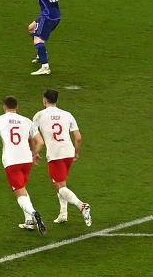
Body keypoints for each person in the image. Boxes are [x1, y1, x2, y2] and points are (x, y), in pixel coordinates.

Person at [0, 0, 73, 75]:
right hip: (55, 14)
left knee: (38, 39)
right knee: (31, 28)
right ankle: (41, 54)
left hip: (48, 16)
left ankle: (45, 67)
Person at [32, 89, 92, 226]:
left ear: (44, 100)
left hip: (55, 154)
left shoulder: (39, 116)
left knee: (59, 186)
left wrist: (35, 153)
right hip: (69, 152)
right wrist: (76, 153)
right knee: (62, 183)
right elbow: (78, 137)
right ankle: (63, 214)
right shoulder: (67, 115)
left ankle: (82, 205)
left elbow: (37, 139)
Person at [0, 96, 47, 234]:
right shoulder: (27, 121)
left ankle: (34, 213)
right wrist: (34, 153)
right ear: (17, 106)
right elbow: (40, 142)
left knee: (19, 193)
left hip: (11, 160)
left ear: (4, 106)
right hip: (26, 160)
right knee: (22, 188)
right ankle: (28, 221)